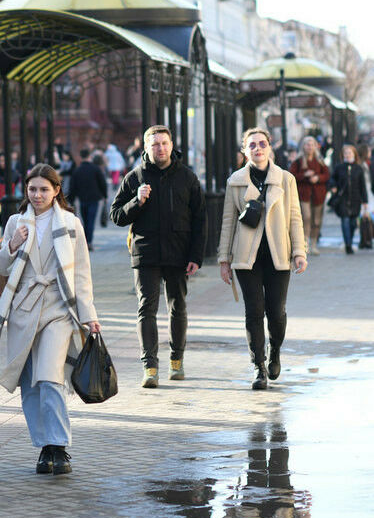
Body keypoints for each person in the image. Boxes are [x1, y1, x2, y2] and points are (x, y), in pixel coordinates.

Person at [0, 163, 100, 476]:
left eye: (44, 189)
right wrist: (12, 244)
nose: (38, 195)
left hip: (58, 308)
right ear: (26, 191)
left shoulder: (71, 223)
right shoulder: (16, 221)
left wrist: (89, 316)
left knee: (50, 376)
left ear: (56, 190)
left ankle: (59, 446)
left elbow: (81, 272)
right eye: (32, 189)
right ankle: (44, 447)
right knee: (28, 382)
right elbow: (1, 267)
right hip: (23, 310)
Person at [110, 125, 205, 388]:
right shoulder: (134, 177)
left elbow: (200, 219)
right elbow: (116, 215)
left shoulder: (187, 178)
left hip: (178, 252)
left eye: (164, 143)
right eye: (155, 144)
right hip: (146, 252)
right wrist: (136, 202)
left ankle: (177, 361)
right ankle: (150, 366)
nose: (160, 148)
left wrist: (196, 255)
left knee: (178, 307)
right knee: (146, 308)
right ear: (146, 148)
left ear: (172, 145)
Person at [217, 128, 307, 390]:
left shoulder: (285, 179)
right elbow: (227, 222)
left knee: (276, 312)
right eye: (252, 145)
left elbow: (294, 217)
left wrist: (299, 252)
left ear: (270, 148)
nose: (257, 148)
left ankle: (275, 350)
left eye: (262, 144)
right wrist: (224, 260)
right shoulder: (235, 181)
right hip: (247, 258)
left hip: (279, 255)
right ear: (245, 150)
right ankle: (258, 367)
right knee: (253, 312)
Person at [289, 136, 330, 255]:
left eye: (312, 144)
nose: (310, 147)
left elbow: (327, 175)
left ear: (316, 146)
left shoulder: (320, 160)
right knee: (306, 217)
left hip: (318, 195)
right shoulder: (298, 161)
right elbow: (292, 176)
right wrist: (305, 175)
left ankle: (314, 243)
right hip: (304, 194)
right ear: (303, 146)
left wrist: (317, 177)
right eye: (307, 144)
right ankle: (304, 242)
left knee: (316, 220)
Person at [328, 144, 369, 254]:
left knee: (353, 223)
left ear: (354, 154)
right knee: (345, 220)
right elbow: (332, 179)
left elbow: (362, 186)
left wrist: (365, 201)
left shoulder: (358, 168)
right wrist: (333, 186)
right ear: (343, 155)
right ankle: (348, 244)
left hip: (356, 199)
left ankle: (349, 240)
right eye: (346, 153)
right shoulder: (339, 167)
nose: (348, 155)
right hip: (343, 199)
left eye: (350, 153)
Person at [68, 147, 108, 247]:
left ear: (80, 157)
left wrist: (71, 199)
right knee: (91, 220)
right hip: (94, 198)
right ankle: (88, 241)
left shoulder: (77, 171)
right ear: (89, 156)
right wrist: (105, 195)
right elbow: (102, 183)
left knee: (85, 220)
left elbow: (72, 186)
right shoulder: (96, 169)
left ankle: (85, 240)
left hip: (82, 198)